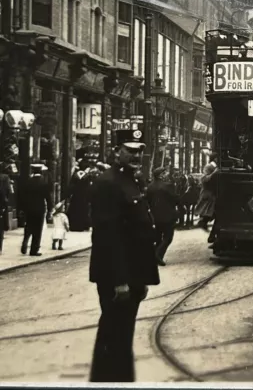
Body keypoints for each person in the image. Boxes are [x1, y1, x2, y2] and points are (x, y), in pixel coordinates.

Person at [89, 129, 160, 383]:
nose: (136, 155)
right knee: (114, 335)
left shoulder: (132, 181)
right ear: (116, 151)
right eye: (130, 150)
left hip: (132, 274)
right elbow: (108, 238)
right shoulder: (108, 183)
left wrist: (141, 280)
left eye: (140, 150)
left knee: (122, 335)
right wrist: (120, 280)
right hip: (118, 277)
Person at [147, 167, 179, 266]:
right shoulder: (167, 186)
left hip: (155, 216)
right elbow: (175, 199)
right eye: (165, 173)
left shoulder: (150, 186)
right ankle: (157, 255)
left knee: (158, 237)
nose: (167, 174)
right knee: (168, 237)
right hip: (168, 216)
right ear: (161, 175)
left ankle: (158, 258)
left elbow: (148, 201)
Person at [19, 164, 53, 257]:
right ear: (41, 172)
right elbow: (48, 197)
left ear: (33, 171)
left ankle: (25, 241)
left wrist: (22, 208)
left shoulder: (28, 182)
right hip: (39, 208)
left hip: (29, 208)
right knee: (37, 230)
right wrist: (50, 209)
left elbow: (22, 196)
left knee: (29, 226)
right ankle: (34, 249)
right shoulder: (43, 183)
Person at [195, 153, 218, 231]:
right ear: (215, 158)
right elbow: (204, 179)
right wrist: (214, 173)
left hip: (213, 193)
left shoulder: (216, 167)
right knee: (208, 211)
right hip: (208, 193)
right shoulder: (209, 167)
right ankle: (203, 222)